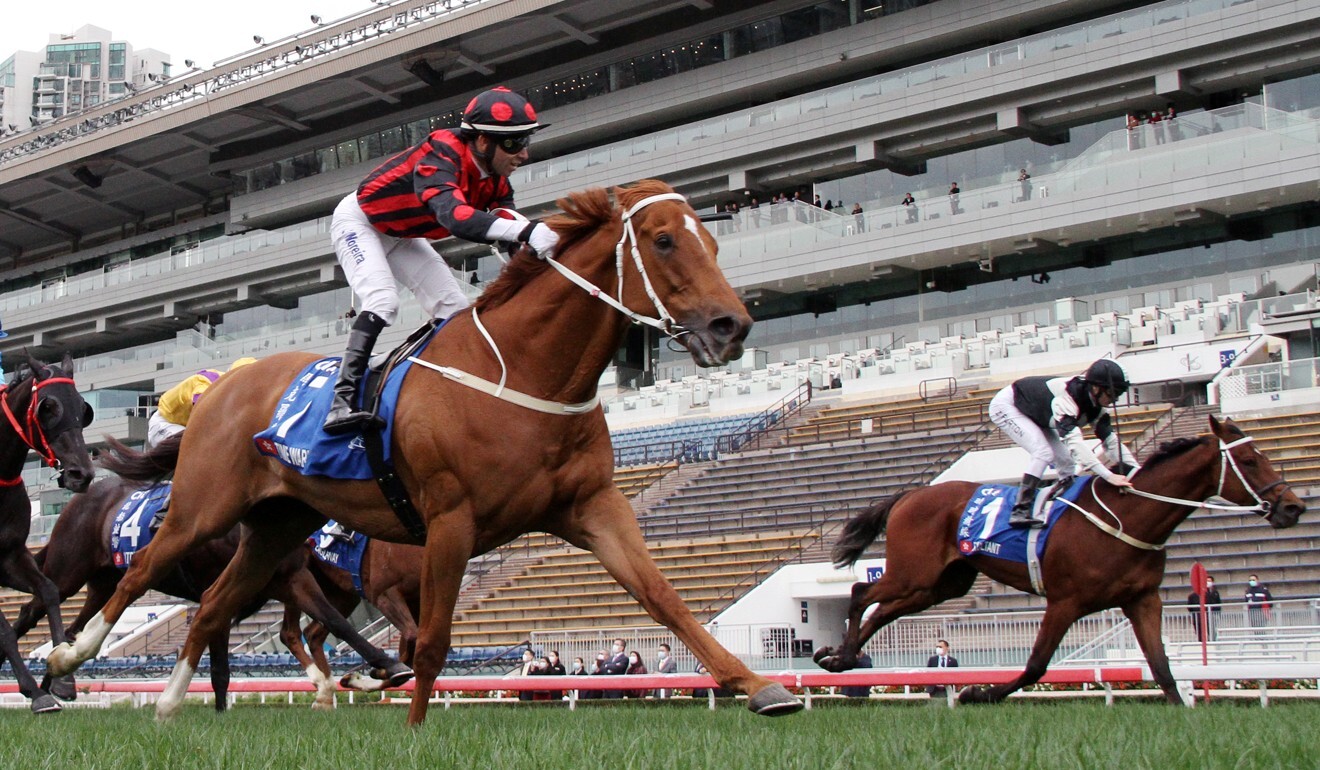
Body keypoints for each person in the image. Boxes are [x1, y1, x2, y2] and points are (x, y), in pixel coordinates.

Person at [321, 86, 557, 434]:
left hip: (401, 233)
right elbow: (456, 217)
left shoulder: (495, 175)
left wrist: (530, 248)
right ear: (480, 142)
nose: (523, 154)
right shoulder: (442, 152)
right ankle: (341, 403)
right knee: (382, 300)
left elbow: (506, 218)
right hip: (361, 223)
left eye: (525, 142)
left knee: (454, 308)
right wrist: (524, 233)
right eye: (512, 143)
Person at [988, 358, 1137, 528]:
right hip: (1008, 405)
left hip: (1038, 412)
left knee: (1067, 463)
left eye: (1118, 394)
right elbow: (1076, 445)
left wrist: (1137, 471)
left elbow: (1112, 443)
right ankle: (1019, 511)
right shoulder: (1068, 399)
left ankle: (1060, 504)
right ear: (1096, 388)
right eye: (1113, 393)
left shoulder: (1097, 408)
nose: (1115, 399)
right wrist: (1109, 476)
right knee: (1043, 453)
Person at [148, 358, 258, 448]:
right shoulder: (207, 382)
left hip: (186, 428)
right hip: (165, 423)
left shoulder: (236, 397)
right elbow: (203, 415)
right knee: (195, 446)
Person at [1187, 575, 1223, 642]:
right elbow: (1190, 607)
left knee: (1211, 631)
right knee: (1200, 632)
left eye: (1209, 581)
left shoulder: (1214, 593)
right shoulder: (1192, 596)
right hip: (1198, 617)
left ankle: (1212, 642)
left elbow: (1218, 604)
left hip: (1211, 616)